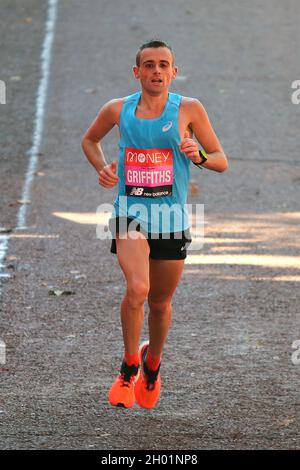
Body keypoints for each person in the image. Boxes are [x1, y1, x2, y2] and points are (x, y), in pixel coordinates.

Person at [81, 39, 228, 409]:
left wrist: (200, 155)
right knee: (137, 289)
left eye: (164, 65)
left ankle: (152, 364)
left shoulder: (189, 109)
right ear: (137, 72)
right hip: (129, 212)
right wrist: (102, 167)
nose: (156, 70)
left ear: (174, 73)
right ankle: (129, 366)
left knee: (160, 303)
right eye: (149, 65)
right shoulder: (117, 109)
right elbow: (90, 140)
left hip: (171, 218)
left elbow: (221, 160)